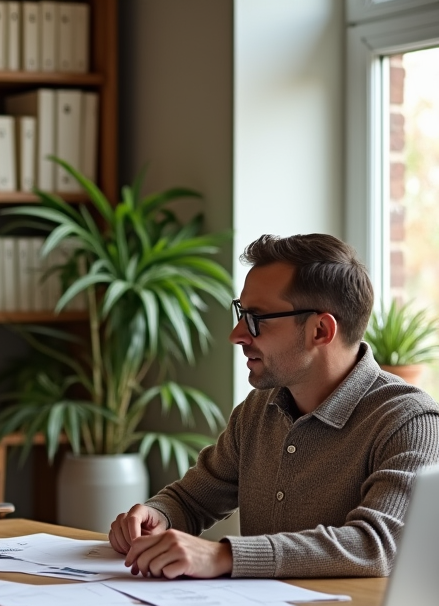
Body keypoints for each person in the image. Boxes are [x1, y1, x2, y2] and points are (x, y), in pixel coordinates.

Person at [107, 233, 439, 579]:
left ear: (321, 330)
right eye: (241, 313)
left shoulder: (410, 421)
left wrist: (226, 556)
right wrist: (156, 515)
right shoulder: (258, 410)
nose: (236, 334)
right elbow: (192, 500)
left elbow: (377, 546)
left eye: (256, 319)